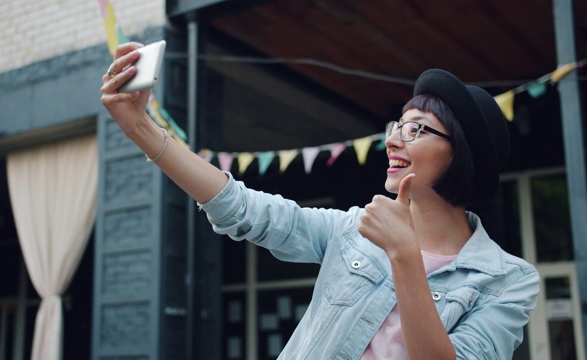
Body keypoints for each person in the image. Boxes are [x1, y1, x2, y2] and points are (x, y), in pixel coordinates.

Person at [101, 42, 540, 360]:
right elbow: (242, 208)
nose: (392, 140)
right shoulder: (353, 229)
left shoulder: (507, 281)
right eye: (397, 125)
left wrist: (405, 255)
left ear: (460, 152)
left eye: (416, 129)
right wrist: (139, 127)